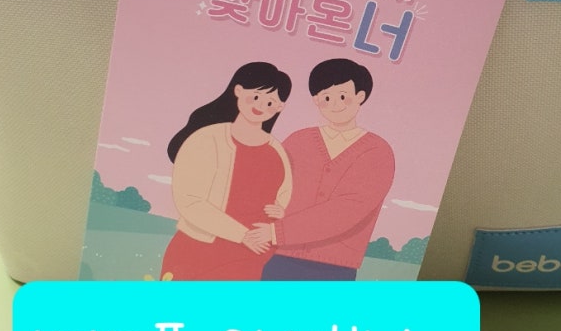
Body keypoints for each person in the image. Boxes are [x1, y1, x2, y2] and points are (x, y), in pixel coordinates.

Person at [244, 58, 395, 280]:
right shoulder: (299, 140)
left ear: (360, 96)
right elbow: (272, 185)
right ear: (316, 100)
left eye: (342, 96)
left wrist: (278, 231)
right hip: (279, 257)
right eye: (326, 98)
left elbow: (350, 208)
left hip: (334, 265)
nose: (335, 105)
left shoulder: (377, 151)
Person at [160, 61, 292, 280]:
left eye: (270, 102)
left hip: (251, 258)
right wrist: (242, 235)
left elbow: (284, 194)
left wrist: (280, 212)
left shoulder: (277, 150)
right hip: (198, 251)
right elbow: (190, 201)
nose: (261, 105)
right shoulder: (206, 139)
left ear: (280, 107)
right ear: (238, 91)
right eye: (256, 96)